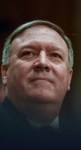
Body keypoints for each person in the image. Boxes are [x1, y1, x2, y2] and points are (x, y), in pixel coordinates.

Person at [0, 20, 75, 149]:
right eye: (28, 53)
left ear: (69, 78)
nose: (42, 62)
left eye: (55, 55)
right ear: (5, 72)